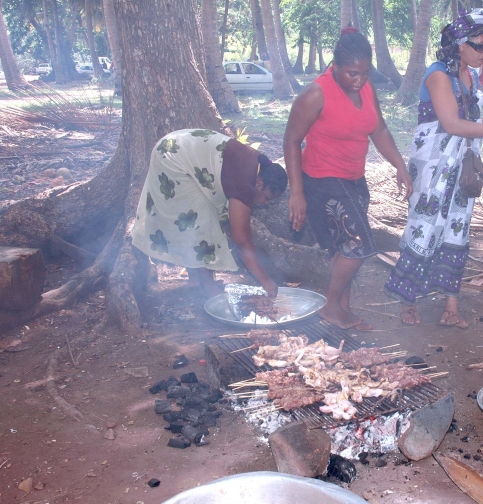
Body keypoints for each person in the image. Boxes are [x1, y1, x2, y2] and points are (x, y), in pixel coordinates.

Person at [384, 8, 483, 328]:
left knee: (458, 230)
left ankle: (451, 307)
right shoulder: (437, 75)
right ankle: (408, 303)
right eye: (480, 45)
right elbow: (450, 123)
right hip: (435, 168)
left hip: (461, 169)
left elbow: (471, 121)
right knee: (423, 227)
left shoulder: (470, 76)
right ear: (460, 44)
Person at [284, 27, 412, 330]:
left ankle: (342, 309)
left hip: (354, 179)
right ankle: (329, 306)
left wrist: (400, 166)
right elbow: (291, 140)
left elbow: (378, 129)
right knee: (359, 245)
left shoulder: (366, 89)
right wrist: (296, 193)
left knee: (343, 248)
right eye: (352, 74)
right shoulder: (316, 93)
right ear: (335, 66)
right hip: (321, 180)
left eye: (365, 73)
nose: (359, 80)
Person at [131, 128, 288, 297]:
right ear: (259, 184)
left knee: (199, 219)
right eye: (267, 198)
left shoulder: (260, 164)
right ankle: (206, 286)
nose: (264, 203)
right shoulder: (245, 184)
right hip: (173, 159)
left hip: (173, 147)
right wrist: (265, 280)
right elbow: (241, 240)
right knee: (199, 223)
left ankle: (196, 279)